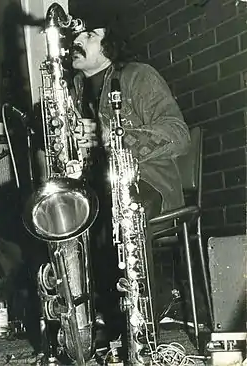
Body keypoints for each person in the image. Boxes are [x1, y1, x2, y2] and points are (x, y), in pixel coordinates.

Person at [66, 1, 191, 343]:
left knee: (121, 206)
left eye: (87, 34)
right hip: (96, 189)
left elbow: (177, 134)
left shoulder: (138, 75)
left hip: (145, 183)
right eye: (74, 35)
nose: (75, 41)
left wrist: (112, 137)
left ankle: (144, 315)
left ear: (109, 41)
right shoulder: (72, 91)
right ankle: (81, 317)